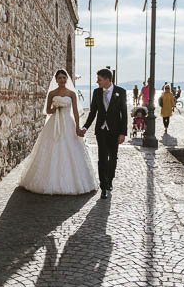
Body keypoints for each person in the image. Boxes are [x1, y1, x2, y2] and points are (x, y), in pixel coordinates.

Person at [19, 69, 98, 195]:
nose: (62, 80)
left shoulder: (72, 93)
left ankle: (74, 181)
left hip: (68, 123)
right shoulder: (52, 93)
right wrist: (54, 108)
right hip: (54, 124)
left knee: (71, 148)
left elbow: (76, 112)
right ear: (56, 80)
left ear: (67, 79)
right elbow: (48, 111)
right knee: (50, 147)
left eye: (64, 77)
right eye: (60, 78)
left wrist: (78, 127)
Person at [79, 68, 128, 200]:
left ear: (107, 79)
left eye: (99, 79)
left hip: (115, 131)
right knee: (102, 158)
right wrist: (85, 127)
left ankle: (110, 179)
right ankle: (103, 186)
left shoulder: (121, 92)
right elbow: (92, 112)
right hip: (101, 131)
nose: (97, 82)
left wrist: (123, 133)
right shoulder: (96, 92)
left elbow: (124, 113)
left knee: (113, 157)